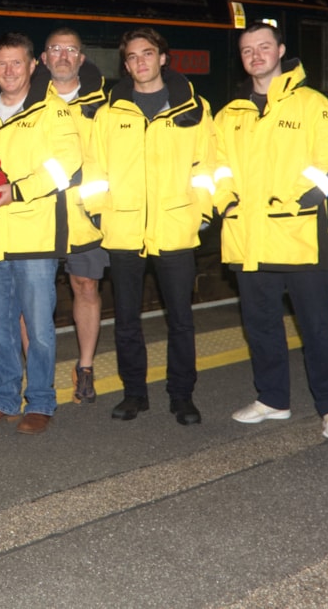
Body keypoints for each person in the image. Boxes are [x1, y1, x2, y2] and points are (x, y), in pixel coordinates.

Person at [213, 22, 328, 441]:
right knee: (261, 326)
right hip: (248, 238)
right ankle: (273, 400)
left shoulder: (312, 104)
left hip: (298, 237)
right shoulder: (229, 114)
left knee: (316, 328)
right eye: (247, 50)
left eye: (264, 47)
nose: (256, 55)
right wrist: (225, 203)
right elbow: (215, 172)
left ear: (281, 50)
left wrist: (298, 202)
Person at [82, 28, 215, 424]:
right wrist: (99, 213)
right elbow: (94, 171)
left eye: (148, 53)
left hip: (176, 229)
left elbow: (207, 167)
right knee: (126, 321)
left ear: (163, 58)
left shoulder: (194, 108)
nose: (140, 62)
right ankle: (134, 394)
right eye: (132, 57)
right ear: (125, 65)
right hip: (123, 232)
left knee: (181, 320)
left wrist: (202, 213)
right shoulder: (109, 114)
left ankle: (182, 396)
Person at [0, 33, 84, 434]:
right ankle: (3, 398)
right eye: (1, 64)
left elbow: (67, 163)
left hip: (33, 236)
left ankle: (42, 402)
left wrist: (14, 192)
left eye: (17, 63)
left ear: (34, 66)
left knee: (39, 326)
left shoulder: (54, 111)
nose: (9, 71)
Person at [38, 27, 108, 405]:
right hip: (37, 213)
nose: (63, 56)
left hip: (85, 214)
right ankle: (38, 372)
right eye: (55, 49)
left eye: (71, 50)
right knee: (31, 296)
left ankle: (85, 367)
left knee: (86, 286)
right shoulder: (28, 101)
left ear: (81, 59)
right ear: (44, 58)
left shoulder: (105, 106)